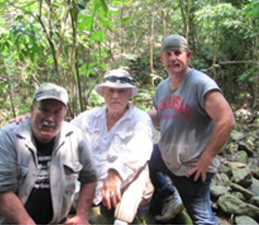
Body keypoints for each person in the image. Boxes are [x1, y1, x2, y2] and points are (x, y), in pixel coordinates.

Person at [0, 83, 97, 225]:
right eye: (44, 110)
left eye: (57, 112)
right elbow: (3, 191)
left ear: (64, 114)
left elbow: (90, 178)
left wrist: (82, 215)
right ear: (32, 110)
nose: (49, 118)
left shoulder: (75, 138)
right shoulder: (9, 137)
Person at [148, 34, 235, 225]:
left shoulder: (200, 84)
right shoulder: (162, 87)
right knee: (143, 159)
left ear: (188, 55)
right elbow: (160, 114)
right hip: (166, 156)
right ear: (162, 58)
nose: (173, 58)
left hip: (192, 167)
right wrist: (133, 117)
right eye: (168, 54)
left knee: (202, 219)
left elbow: (227, 120)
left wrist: (207, 158)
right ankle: (169, 196)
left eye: (177, 53)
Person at [70, 69, 154, 225]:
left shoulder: (139, 119)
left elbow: (141, 148)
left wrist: (116, 173)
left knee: (141, 169)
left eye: (121, 91)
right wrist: (30, 120)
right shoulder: (88, 118)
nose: (115, 96)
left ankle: (122, 221)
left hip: (123, 188)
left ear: (129, 94)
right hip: (90, 188)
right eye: (111, 91)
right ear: (103, 93)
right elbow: (63, 132)